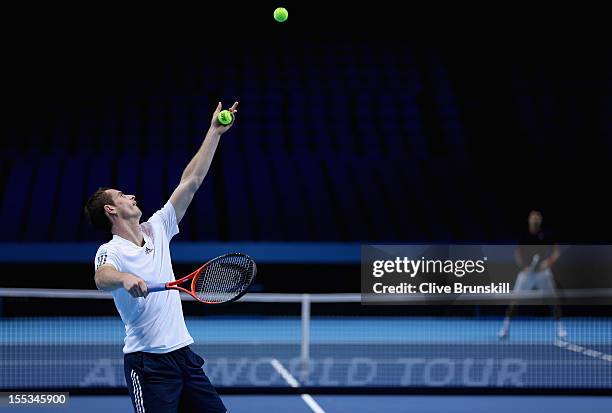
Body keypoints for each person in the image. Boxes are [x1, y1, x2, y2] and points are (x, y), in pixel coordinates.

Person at [85, 102, 238, 413]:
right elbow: (103, 278)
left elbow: (190, 182)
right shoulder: (111, 250)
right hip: (148, 364)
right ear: (110, 210)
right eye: (122, 195)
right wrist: (125, 278)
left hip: (184, 356)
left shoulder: (158, 228)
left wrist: (214, 132)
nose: (131, 196)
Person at [498, 210, 567, 340]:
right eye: (533, 217)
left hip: (542, 273)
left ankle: (560, 328)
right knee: (514, 301)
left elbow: (556, 251)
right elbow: (517, 253)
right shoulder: (524, 235)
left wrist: (547, 263)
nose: (535, 220)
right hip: (527, 273)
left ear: (540, 220)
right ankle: (505, 329)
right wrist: (524, 267)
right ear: (529, 220)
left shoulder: (546, 234)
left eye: (537, 217)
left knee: (554, 301)